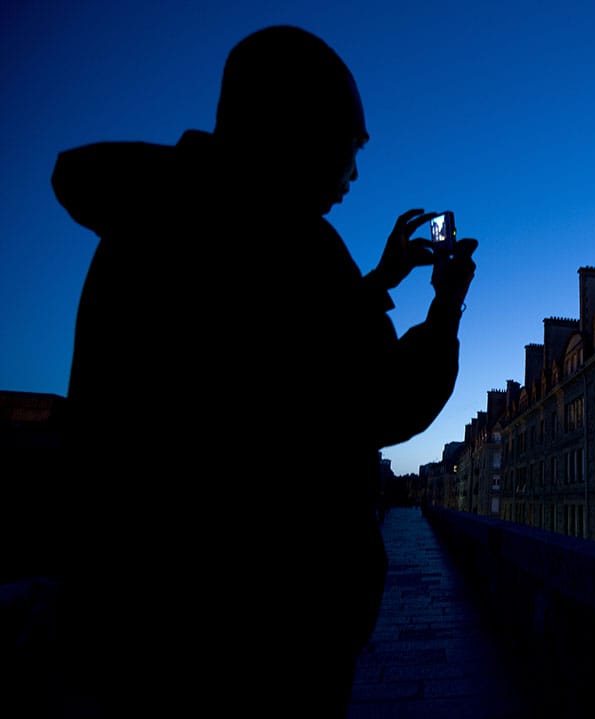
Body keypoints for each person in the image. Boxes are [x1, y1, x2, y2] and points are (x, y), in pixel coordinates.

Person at [46, 25, 476, 718]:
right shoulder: (291, 242)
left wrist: (376, 279)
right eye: (350, 145)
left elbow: (283, 357)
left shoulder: (151, 221)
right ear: (297, 127)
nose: (353, 173)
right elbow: (380, 399)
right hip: (266, 631)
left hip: (134, 621)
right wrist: (446, 307)